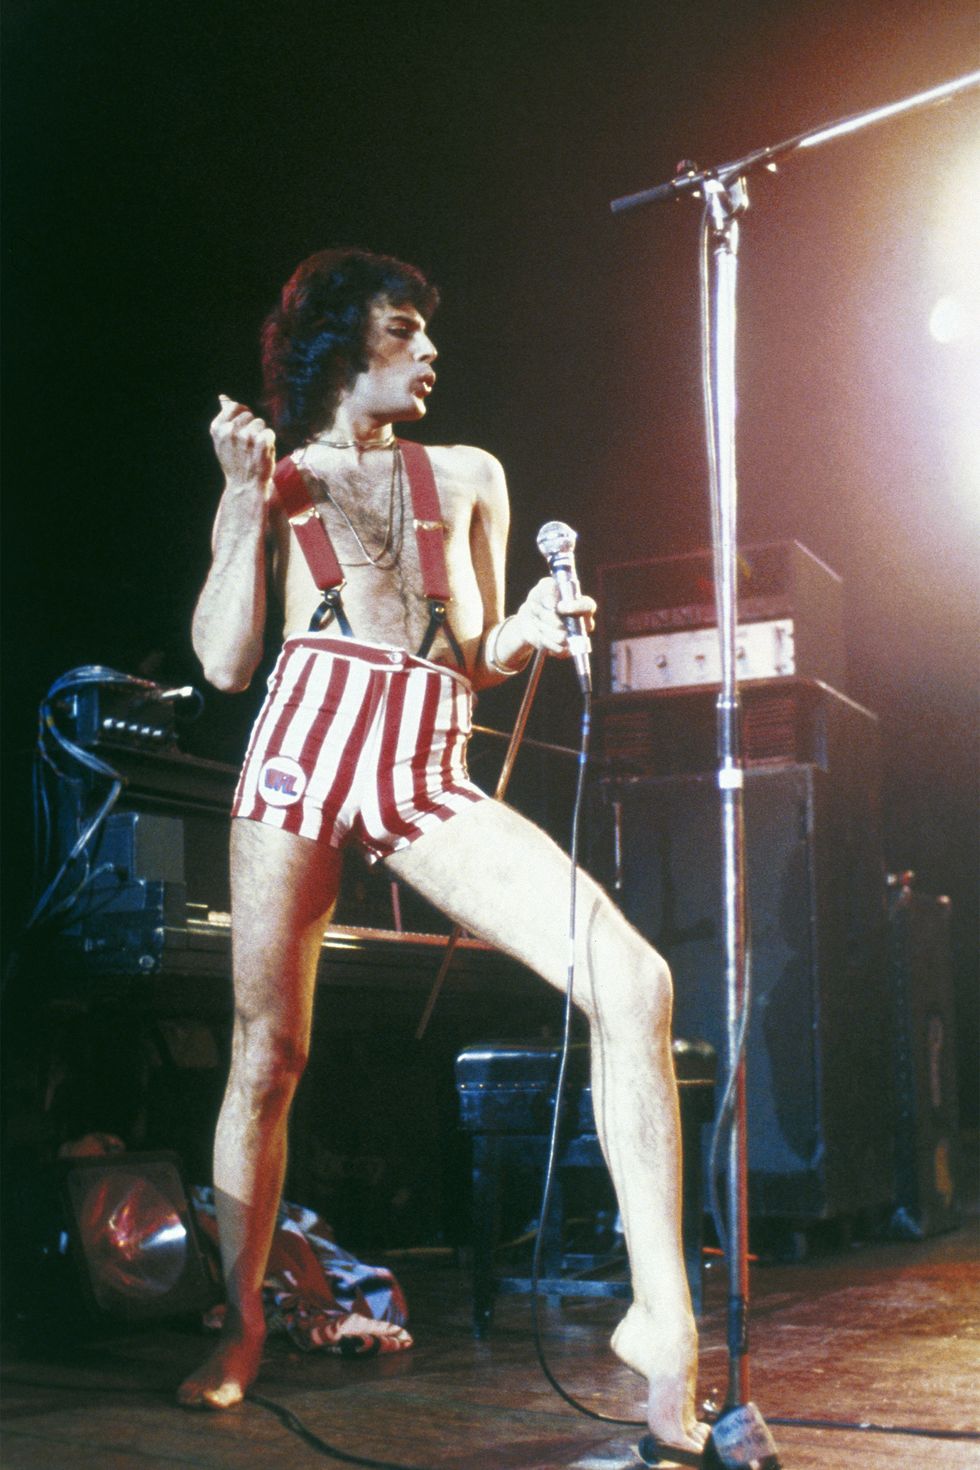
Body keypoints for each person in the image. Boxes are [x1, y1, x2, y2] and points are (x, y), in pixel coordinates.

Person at [180, 247, 707, 1456]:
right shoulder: (278, 475)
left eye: (426, 334)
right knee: (269, 1056)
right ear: (334, 341)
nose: (429, 351)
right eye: (404, 329)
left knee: (631, 983)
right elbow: (221, 661)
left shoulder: (467, 472)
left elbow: (468, 650)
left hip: (421, 760)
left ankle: (660, 1319)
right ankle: (243, 1330)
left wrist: (524, 623)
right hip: (303, 746)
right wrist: (234, 503)